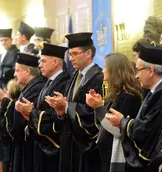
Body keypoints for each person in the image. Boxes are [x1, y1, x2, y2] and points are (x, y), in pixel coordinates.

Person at [106, 43, 162, 171]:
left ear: (150, 70)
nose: (136, 75)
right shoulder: (155, 91)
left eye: (138, 70)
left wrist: (122, 121)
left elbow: (147, 130)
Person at [45, 32, 103, 172]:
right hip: (70, 140)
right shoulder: (75, 76)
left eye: (75, 54)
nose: (71, 59)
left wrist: (67, 106)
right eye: (70, 54)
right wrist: (61, 111)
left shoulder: (100, 78)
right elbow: (67, 106)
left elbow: (95, 114)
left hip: (86, 145)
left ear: (88, 53)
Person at [16, 43, 70, 172]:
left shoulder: (64, 82)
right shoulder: (48, 82)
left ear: (56, 62)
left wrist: (32, 112)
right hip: (41, 145)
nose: (40, 65)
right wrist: (30, 112)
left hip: (55, 146)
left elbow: (56, 115)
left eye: (44, 61)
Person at [0, 53, 45, 172]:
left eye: (17, 70)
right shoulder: (28, 88)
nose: (14, 74)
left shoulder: (37, 88)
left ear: (28, 71)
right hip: (22, 147)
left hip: (30, 148)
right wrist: (3, 100)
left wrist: (3, 100)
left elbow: (18, 119)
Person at [86, 52, 142, 172]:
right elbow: (102, 126)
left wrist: (99, 108)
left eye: (105, 67)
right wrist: (98, 106)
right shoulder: (115, 95)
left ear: (114, 70)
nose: (103, 71)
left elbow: (117, 129)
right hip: (108, 155)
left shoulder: (129, 97)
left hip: (120, 156)